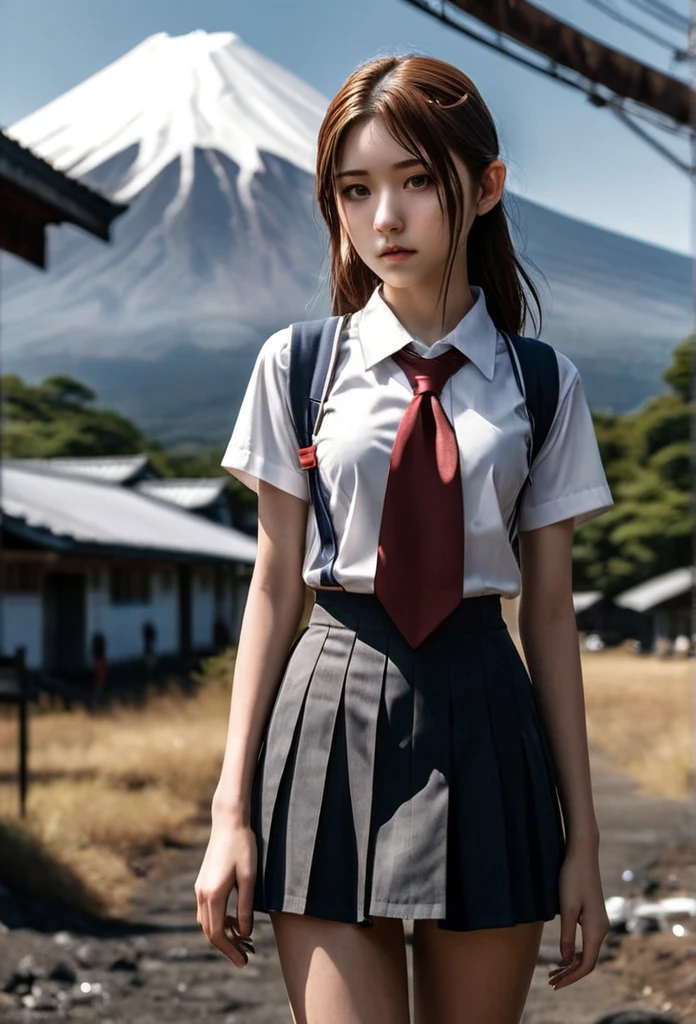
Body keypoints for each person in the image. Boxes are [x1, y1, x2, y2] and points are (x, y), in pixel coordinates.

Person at [195, 54, 615, 1023]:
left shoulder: (543, 384)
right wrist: (229, 814)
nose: (384, 216)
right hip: (328, 703)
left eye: (418, 180)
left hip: (488, 710)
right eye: (355, 189)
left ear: (486, 185)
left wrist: (582, 839)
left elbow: (550, 615)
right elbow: (272, 590)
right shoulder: (296, 366)